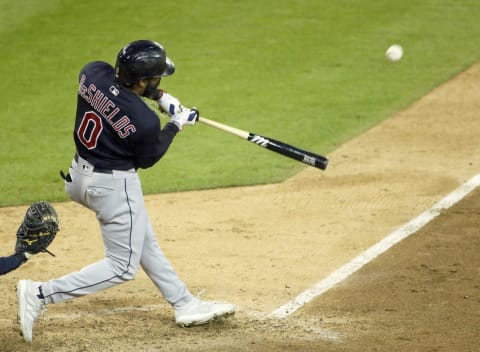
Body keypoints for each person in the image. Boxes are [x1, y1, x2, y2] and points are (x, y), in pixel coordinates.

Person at [16, 39, 235, 343]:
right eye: (155, 78)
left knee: (143, 239)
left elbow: (116, 98)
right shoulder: (144, 122)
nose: (159, 81)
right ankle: (40, 293)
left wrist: (160, 96)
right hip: (112, 188)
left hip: (78, 176)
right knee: (121, 267)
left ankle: (184, 303)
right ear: (141, 80)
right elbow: (149, 157)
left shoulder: (92, 72)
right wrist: (176, 122)